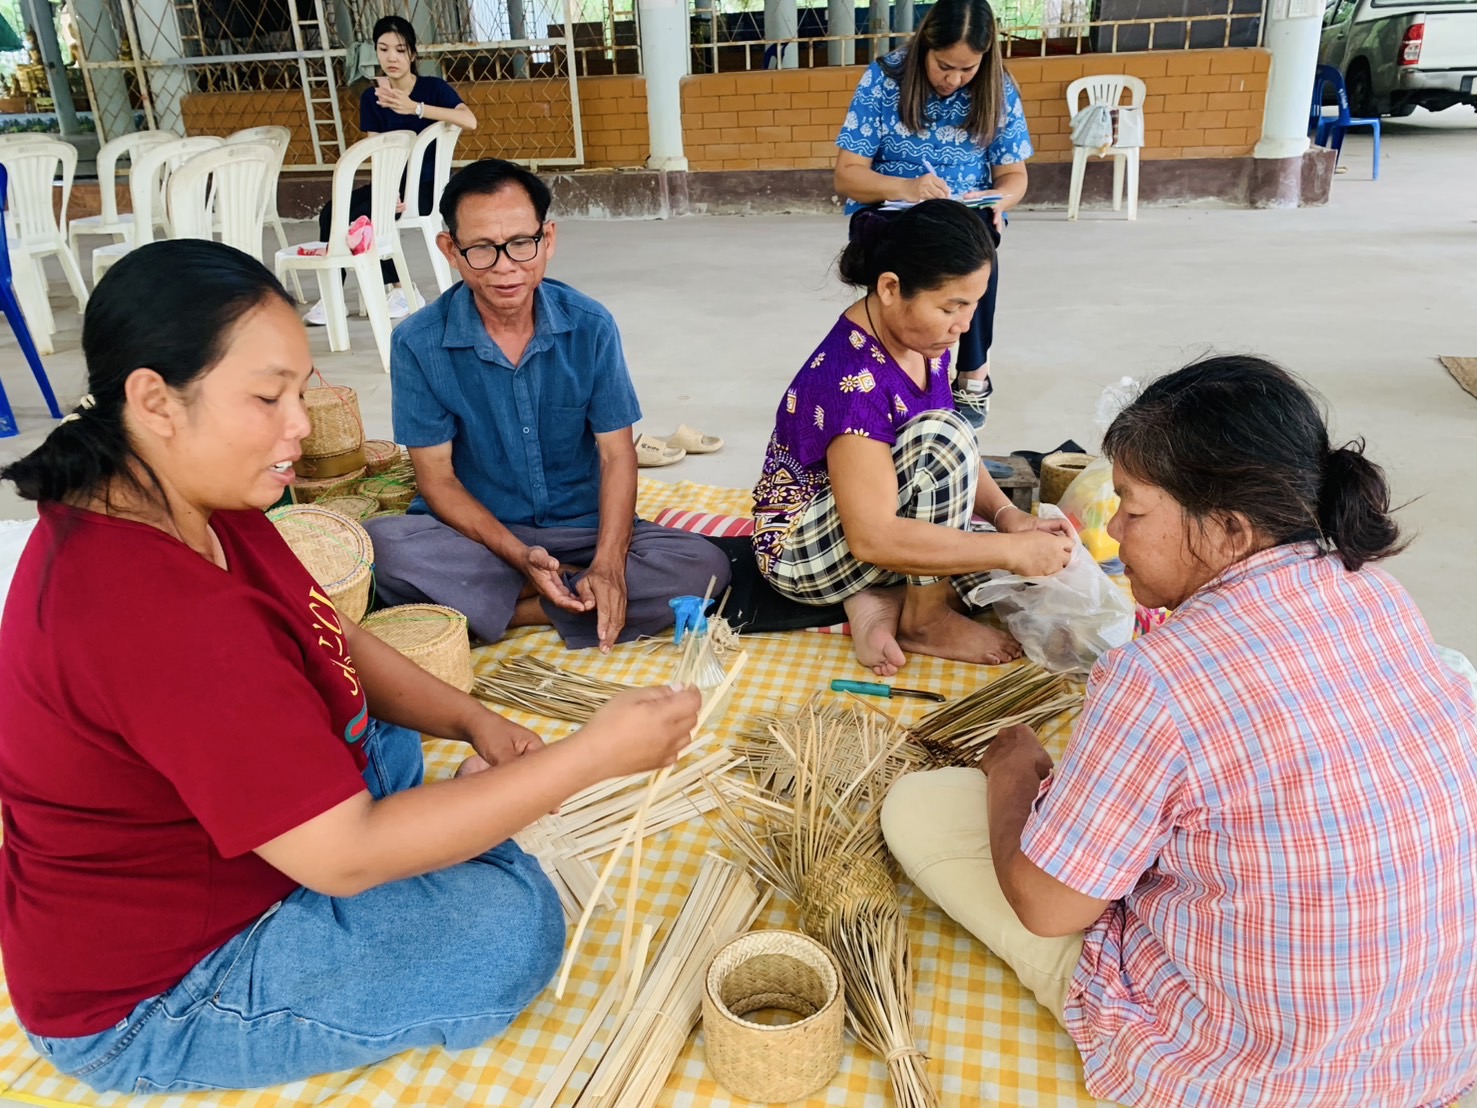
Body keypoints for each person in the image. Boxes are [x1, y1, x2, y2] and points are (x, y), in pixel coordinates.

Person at [0, 239, 703, 1093]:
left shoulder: (196, 494)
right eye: (268, 396)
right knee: (508, 934)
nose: (300, 423)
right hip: (157, 991)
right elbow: (341, 856)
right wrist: (584, 760)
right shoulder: (152, 613)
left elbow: (329, 631)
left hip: (247, 850)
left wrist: (470, 719)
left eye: (299, 390)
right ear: (154, 399)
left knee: (389, 746)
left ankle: (438, 832)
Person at [882, 356, 1477, 1107]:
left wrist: (1014, 770)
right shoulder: (1375, 591)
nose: (1112, 531)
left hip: (1253, 1077)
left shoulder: (1157, 679)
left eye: (1132, 508)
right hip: (1432, 1047)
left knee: (921, 807)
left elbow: (1048, 907)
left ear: (1228, 528)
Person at [365, 159, 731, 652]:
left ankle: (513, 609)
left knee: (702, 565)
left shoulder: (590, 326)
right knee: (380, 549)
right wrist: (519, 555)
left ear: (548, 239)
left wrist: (607, 563)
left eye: (521, 242)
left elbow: (616, 455)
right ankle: (565, 594)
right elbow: (437, 480)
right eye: (480, 249)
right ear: (451, 250)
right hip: (482, 537)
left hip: (583, 531)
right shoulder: (417, 342)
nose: (504, 266)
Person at [751, 200, 1072, 677]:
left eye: (973, 305)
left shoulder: (925, 339)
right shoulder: (851, 379)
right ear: (889, 288)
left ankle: (877, 601)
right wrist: (1008, 549)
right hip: (801, 552)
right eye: (951, 307)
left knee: (1019, 576)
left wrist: (1008, 519)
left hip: (859, 529)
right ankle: (924, 619)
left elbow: (955, 464)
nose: (963, 324)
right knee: (980, 524)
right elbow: (873, 534)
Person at [834, 0, 1032, 429]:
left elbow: (1014, 175)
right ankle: (895, 370)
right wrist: (906, 187)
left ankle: (972, 372)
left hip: (963, 215)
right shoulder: (885, 79)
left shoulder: (998, 86)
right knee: (906, 264)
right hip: (892, 210)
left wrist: (1000, 200)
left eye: (967, 69)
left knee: (973, 245)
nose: (954, 79)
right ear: (925, 45)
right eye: (944, 66)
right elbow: (848, 176)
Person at [306, 15, 478, 326]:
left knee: (369, 218)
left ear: (412, 54)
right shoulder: (372, 99)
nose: (391, 58)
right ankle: (332, 296)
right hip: (392, 187)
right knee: (333, 213)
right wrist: (387, 190)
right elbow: (376, 152)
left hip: (427, 188)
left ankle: (401, 288)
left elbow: (469, 120)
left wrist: (415, 108)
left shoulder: (433, 88)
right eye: (383, 49)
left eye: (399, 50)